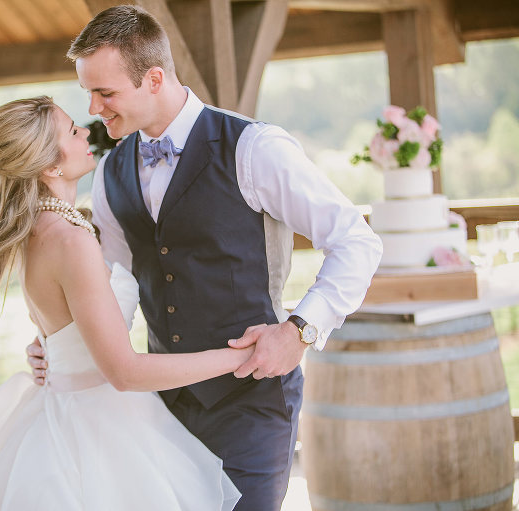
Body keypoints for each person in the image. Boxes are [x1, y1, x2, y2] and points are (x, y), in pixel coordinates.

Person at [26, 5, 383, 510]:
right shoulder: (108, 173)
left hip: (252, 398)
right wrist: (64, 343)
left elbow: (356, 240)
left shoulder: (255, 147)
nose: (94, 108)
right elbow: (108, 286)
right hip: (159, 408)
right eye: (88, 92)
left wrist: (299, 330)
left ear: (154, 79)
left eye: (105, 93)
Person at [0, 96, 246, 510]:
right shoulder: (70, 240)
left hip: (67, 406)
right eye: (72, 131)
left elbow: (62, 325)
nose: (87, 132)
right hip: (98, 429)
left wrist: (48, 349)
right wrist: (239, 357)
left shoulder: (34, 231)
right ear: (50, 166)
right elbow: (124, 371)